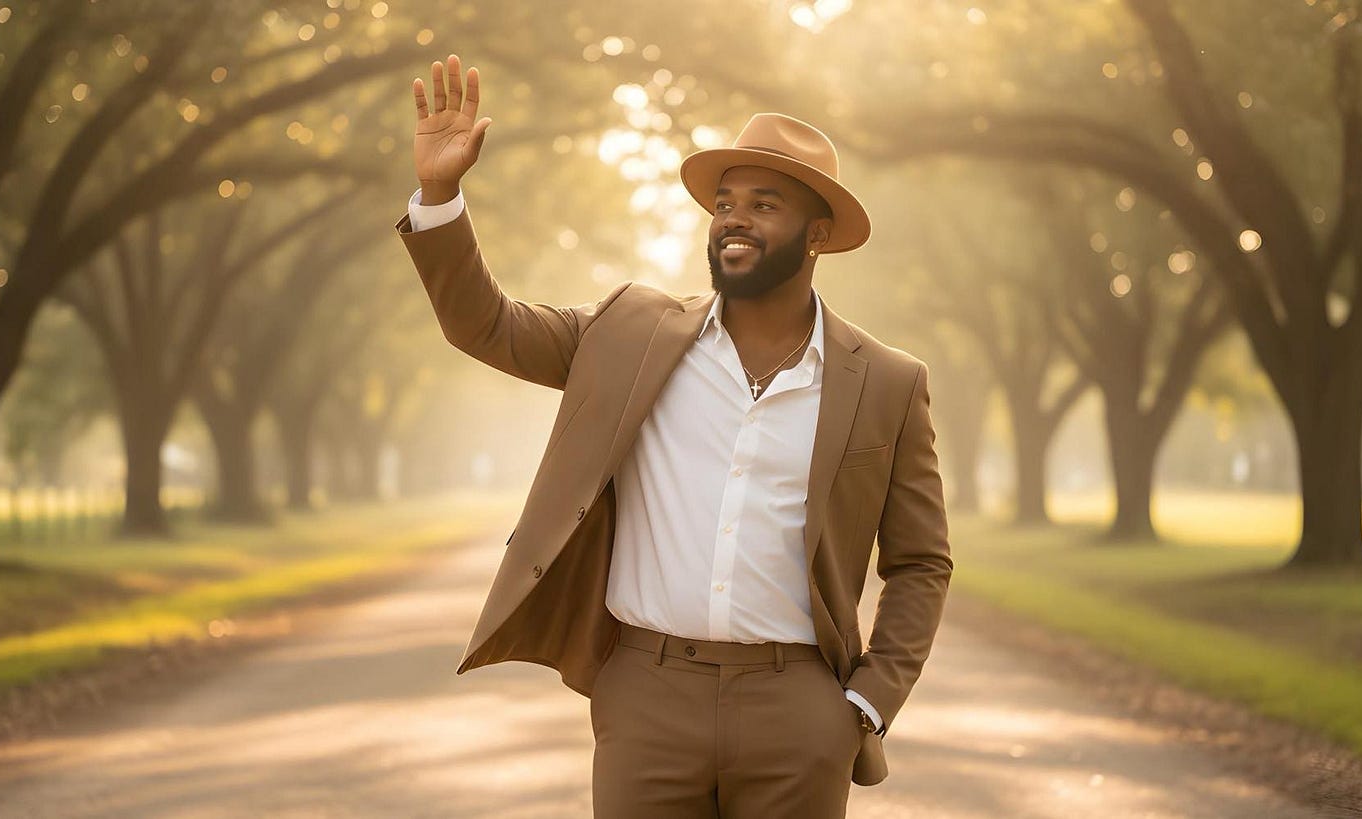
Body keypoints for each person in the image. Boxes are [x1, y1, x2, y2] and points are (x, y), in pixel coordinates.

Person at [396, 54, 953, 818]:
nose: (734, 218)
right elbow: (484, 324)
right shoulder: (632, 331)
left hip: (799, 709)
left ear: (817, 234)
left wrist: (866, 700)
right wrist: (441, 194)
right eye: (726, 201)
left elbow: (921, 560)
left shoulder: (887, 381)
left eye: (765, 204)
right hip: (646, 695)